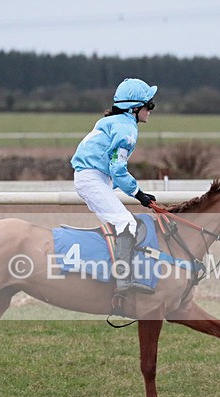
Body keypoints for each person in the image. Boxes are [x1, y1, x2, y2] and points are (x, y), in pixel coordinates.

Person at [70, 78, 158, 293]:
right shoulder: (126, 130)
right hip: (92, 179)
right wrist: (139, 194)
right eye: (150, 105)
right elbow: (118, 169)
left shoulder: (114, 122)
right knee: (126, 223)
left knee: (119, 225)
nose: (151, 110)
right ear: (135, 108)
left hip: (94, 178)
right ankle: (123, 281)